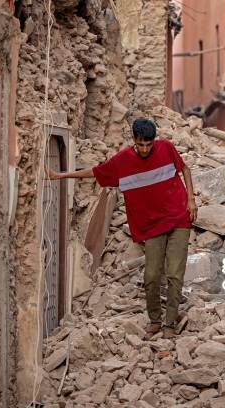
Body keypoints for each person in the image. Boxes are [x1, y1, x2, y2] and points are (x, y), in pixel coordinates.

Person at [46, 119, 197, 339]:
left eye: (149, 144)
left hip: (179, 218)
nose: (145, 149)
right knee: (152, 276)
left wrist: (191, 199)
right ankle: (155, 320)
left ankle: (170, 324)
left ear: (154, 141)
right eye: (141, 144)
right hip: (152, 225)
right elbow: (95, 172)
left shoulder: (166, 148)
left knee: (175, 274)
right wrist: (60, 176)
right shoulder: (123, 161)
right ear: (133, 140)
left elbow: (184, 168)